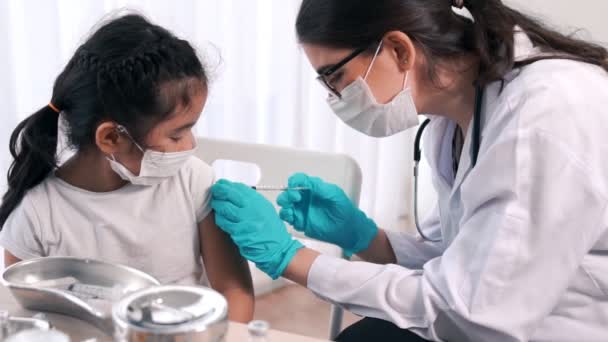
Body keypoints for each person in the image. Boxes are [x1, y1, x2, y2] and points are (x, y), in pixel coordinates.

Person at [210, 0, 608, 340]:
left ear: (399, 50)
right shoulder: (456, 115)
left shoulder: (544, 117)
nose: (334, 98)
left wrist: (291, 258)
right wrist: (368, 237)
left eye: (335, 78)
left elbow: (472, 313)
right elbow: (459, 255)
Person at [0, 14, 254, 323]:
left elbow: (235, 293)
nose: (190, 146)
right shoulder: (37, 215)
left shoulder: (193, 181)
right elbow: (26, 317)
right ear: (110, 137)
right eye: (176, 134)